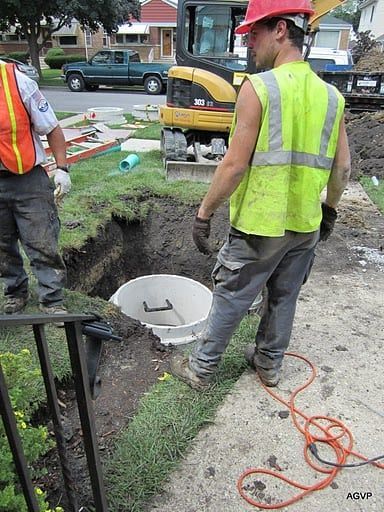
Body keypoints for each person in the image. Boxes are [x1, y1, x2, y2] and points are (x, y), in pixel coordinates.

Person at [170, 0, 351, 390]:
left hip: (258, 224)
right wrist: (330, 211)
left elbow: (234, 165)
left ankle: (201, 369)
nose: (249, 43)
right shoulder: (332, 98)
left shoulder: (260, 87)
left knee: (232, 294)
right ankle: (268, 366)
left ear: (281, 30)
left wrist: (204, 213)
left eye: (254, 33)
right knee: (284, 297)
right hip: (304, 224)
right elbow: (343, 169)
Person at [0, 61, 71, 320]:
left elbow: (51, 127)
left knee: (42, 241)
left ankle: (52, 298)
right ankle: (15, 292)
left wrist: (62, 168)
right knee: (2, 245)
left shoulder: (18, 83)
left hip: (28, 179)